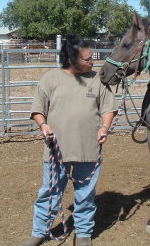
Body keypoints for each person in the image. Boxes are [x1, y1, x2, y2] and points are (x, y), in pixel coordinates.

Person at [21, 34, 117, 246]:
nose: (93, 62)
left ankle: (83, 233)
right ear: (72, 59)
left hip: (89, 148)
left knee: (85, 193)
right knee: (49, 192)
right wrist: (43, 125)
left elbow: (109, 108)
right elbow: (38, 109)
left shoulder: (97, 80)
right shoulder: (51, 79)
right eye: (88, 59)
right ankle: (39, 231)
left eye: (93, 57)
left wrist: (104, 127)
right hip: (57, 149)